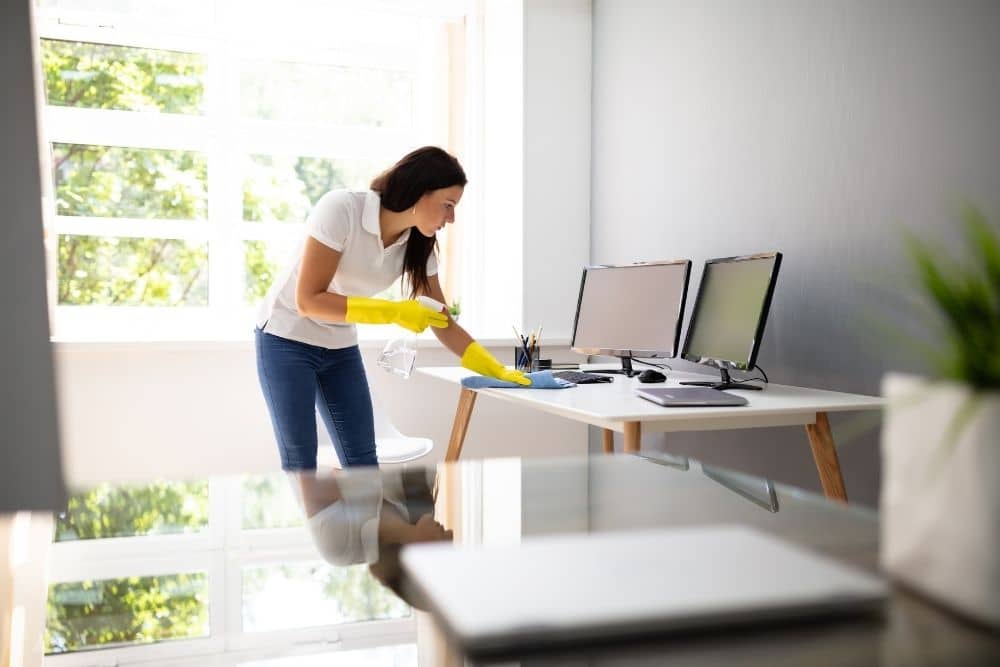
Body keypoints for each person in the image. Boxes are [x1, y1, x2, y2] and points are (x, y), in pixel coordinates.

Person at [255, 146, 530, 471]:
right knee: (300, 461)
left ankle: (360, 524)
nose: (451, 218)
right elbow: (308, 301)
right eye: (448, 205)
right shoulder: (342, 209)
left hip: (338, 346)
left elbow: (443, 322)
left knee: (363, 463)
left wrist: (494, 368)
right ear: (420, 193)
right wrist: (394, 312)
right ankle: (318, 522)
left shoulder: (419, 244)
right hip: (286, 338)